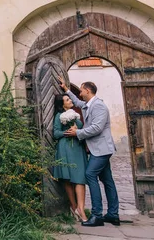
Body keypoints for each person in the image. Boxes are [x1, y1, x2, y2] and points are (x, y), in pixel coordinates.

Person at [59, 77, 120, 227]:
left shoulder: (98, 106)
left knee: (90, 174)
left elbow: (97, 128)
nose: (79, 93)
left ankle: (97, 215)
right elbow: (78, 103)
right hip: (98, 149)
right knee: (107, 180)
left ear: (87, 90)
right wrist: (66, 89)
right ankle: (113, 214)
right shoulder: (88, 105)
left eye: (81, 90)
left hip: (102, 149)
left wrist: (77, 133)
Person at [53, 94, 88, 223]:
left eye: (70, 99)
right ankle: (73, 206)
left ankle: (81, 208)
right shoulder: (58, 116)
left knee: (80, 178)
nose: (70, 100)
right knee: (67, 178)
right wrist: (67, 133)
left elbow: (82, 128)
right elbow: (55, 133)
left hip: (77, 148)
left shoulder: (76, 114)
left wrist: (77, 129)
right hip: (65, 148)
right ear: (62, 105)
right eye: (67, 100)